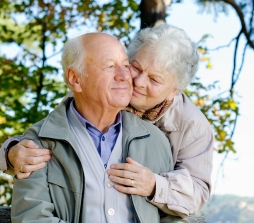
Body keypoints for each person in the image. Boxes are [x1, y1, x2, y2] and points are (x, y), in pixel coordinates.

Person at [1, 24, 214, 217]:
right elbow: (55, 134)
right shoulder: (101, 90)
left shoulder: (190, 127)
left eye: (154, 79)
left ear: (174, 90)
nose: (137, 82)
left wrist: (153, 185)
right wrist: (10, 154)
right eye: (136, 67)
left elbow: (197, 195)